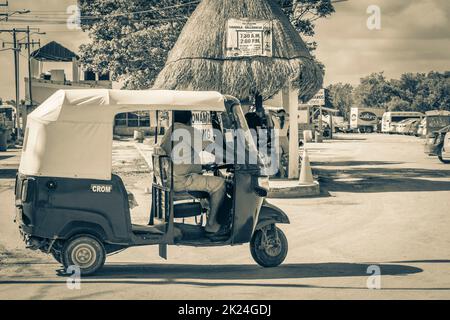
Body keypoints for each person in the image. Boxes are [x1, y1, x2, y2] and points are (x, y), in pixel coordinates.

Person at [159, 111, 227, 238]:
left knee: (210, 180)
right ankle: (212, 225)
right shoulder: (187, 131)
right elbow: (212, 148)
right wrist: (234, 157)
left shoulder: (170, 131)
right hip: (182, 180)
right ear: (190, 119)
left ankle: (210, 214)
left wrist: (203, 166)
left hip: (172, 178)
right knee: (220, 184)